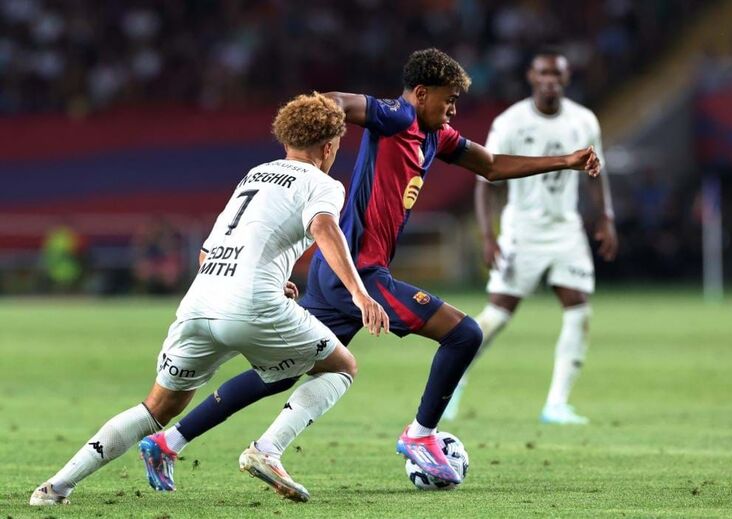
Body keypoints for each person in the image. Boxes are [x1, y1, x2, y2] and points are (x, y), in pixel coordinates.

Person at [139, 47, 601, 489]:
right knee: (464, 334)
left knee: (283, 369)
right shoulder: (397, 116)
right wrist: (316, 118)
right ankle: (420, 435)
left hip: (334, 273)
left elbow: (492, 166)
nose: (454, 110)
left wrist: (566, 161)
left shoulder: (436, 136)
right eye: (449, 100)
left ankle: (169, 441)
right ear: (421, 93)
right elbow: (340, 102)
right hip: (358, 271)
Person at [29, 92, 389, 506]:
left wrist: (269, 280)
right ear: (328, 146)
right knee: (342, 366)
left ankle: (54, 487)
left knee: (156, 408)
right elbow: (324, 228)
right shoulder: (323, 184)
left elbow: (207, 252)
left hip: (200, 300)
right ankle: (267, 450)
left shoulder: (255, 175)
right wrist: (360, 294)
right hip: (251, 304)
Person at [442, 48, 618, 425]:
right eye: (544, 74)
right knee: (498, 315)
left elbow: (596, 172)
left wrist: (606, 217)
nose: (550, 81)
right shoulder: (511, 122)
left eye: (557, 74)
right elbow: (484, 179)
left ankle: (556, 404)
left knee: (578, 309)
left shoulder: (584, 120)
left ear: (566, 79)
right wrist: (488, 236)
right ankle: (451, 383)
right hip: (522, 230)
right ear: (532, 77)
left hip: (566, 229)